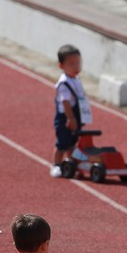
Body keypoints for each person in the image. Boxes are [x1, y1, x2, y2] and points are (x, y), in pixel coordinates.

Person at [50, 44, 93, 178]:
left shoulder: (76, 79)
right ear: (61, 66)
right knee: (63, 142)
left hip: (76, 114)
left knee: (73, 142)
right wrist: (71, 118)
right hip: (66, 116)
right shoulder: (64, 83)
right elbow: (65, 102)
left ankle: (72, 164)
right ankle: (56, 165)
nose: (76, 67)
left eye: (78, 63)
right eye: (71, 64)